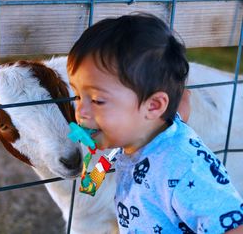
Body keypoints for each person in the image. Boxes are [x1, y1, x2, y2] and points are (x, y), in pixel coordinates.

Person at [67, 13, 243, 233]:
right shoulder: (143, 135)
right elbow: (182, 107)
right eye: (77, 96)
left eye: (97, 100)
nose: (80, 111)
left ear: (153, 106)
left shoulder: (184, 167)